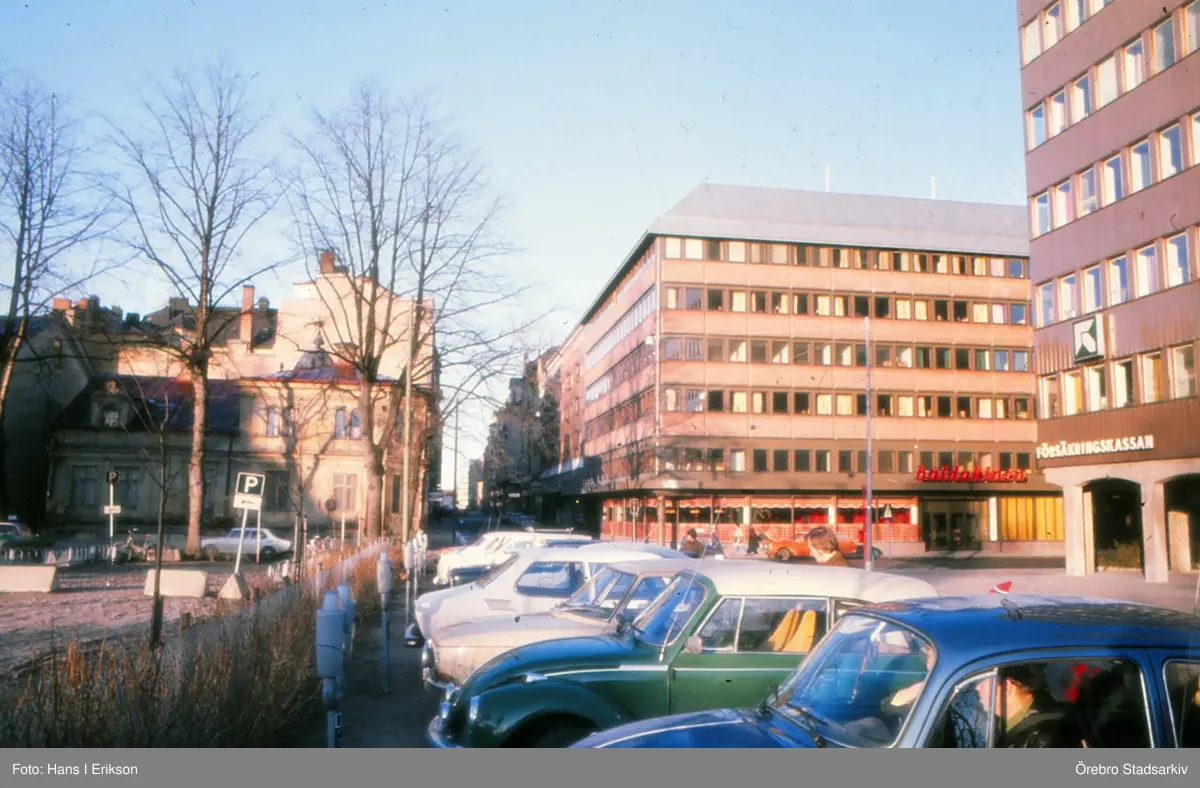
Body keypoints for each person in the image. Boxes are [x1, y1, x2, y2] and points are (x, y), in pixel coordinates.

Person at [998, 664, 1086, 748]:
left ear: (1006, 688)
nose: (983, 688)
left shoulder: (1044, 739)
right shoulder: (1001, 726)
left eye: (990, 681)